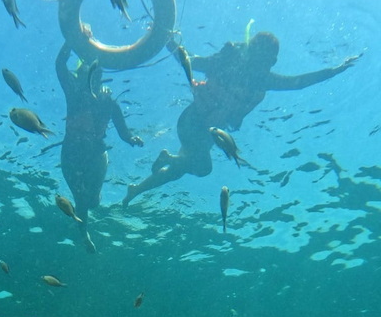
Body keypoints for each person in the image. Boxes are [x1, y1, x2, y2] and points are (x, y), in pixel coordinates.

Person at [123, 31, 361, 205]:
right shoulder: (249, 72)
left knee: (182, 168)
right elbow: (298, 83)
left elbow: (187, 60)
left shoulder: (235, 68)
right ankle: (166, 158)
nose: (267, 64)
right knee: (203, 168)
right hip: (194, 125)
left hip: (201, 130)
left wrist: (167, 38)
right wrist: (337, 69)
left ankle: (137, 189)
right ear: (267, 58)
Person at [56, 42, 143, 250]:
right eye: (85, 74)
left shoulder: (107, 101)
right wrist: (71, 40)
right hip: (72, 153)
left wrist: (131, 138)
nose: (89, 80)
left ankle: (84, 224)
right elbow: (60, 65)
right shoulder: (74, 91)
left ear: (99, 78)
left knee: (91, 201)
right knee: (81, 200)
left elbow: (123, 132)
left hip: (95, 154)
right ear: (80, 75)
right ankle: (83, 233)